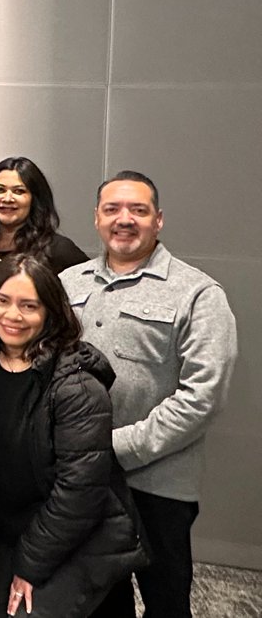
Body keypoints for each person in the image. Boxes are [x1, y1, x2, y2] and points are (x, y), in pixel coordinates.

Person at [61, 171, 237, 618]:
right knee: (96, 599)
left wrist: (117, 447)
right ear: (97, 218)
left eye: (138, 210)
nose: (125, 220)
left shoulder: (198, 293)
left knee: (165, 600)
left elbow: (203, 396)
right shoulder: (67, 284)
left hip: (158, 485)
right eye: (112, 209)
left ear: (158, 220)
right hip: (83, 478)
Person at [0, 255, 145, 618]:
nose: (12, 315)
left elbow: (79, 494)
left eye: (28, 305)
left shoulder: (77, 387)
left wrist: (29, 565)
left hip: (74, 539)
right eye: (1, 301)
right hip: (13, 532)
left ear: (51, 313)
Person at [0, 156, 87, 274]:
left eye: (19, 191)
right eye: (0, 190)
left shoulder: (57, 249)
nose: (7, 198)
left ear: (35, 199)